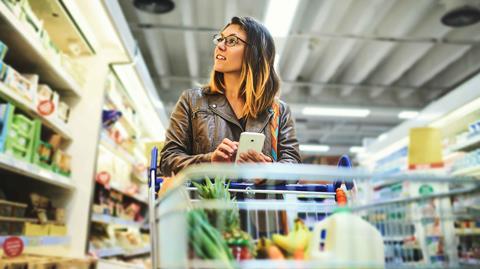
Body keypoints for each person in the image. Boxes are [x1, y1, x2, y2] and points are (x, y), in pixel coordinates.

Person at [159, 16, 301, 177]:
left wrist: (266, 172)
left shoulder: (279, 111)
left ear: (255, 54)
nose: (220, 45)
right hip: (207, 202)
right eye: (220, 39)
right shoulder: (192, 101)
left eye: (232, 41)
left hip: (258, 202)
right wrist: (210, 161)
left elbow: (293, 167)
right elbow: (167, 161)